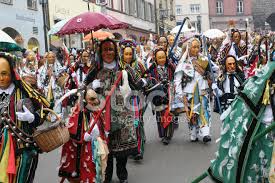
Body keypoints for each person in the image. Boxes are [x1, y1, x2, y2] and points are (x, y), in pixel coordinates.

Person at [85, 38, 142, 183]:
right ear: (100, 52)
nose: (108, 52)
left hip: (123, 114)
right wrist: (92, 85)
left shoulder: (124, 67)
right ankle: (107, 175)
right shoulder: (95, 69)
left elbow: (138, 84)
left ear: (116, 51)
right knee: (106, 148)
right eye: (105, 49)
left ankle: (122, 174)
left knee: (122, 149)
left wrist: (143, 81)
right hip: (102, 113)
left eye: (111, 49)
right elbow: (83, 88)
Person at [0, 52, 50, 183]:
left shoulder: (24, 91)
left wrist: (33, 118)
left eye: (4, 73)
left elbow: (45, 108)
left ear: (12, 72)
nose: (0, 78)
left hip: (23, 150)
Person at [59, 88, 107, 183]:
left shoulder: (94, 111)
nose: (96, 101)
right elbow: (72, 131)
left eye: (96, 98)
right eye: (92, 99)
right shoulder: (77, 112)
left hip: (93, 148)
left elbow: (101, 126)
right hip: (81, 151)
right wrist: (82, 136)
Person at [174, 38, 212, 143]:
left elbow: (214, 70)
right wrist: (179, 94)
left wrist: (211, 77)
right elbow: (177, 79)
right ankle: (193, 133)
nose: (196, 49)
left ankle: (205, 133)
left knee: (204, 111)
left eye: (198, 46)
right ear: (189, 48)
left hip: (202, 90)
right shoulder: (183, 62)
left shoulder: (204, 60)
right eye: (194, 47)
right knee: (192, 114)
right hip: (189, 92)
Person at [148, 47, 176, 145]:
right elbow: (149, 81)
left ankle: (168, 136)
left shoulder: (170, 67)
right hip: (158, 95)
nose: (161, 60)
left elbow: (175, 77)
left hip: (169, 93)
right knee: (160, 115)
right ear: (156, 58)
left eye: (163, 57)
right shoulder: (152, 69)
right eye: (159, 58)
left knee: (168, 114)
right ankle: (163, 134)